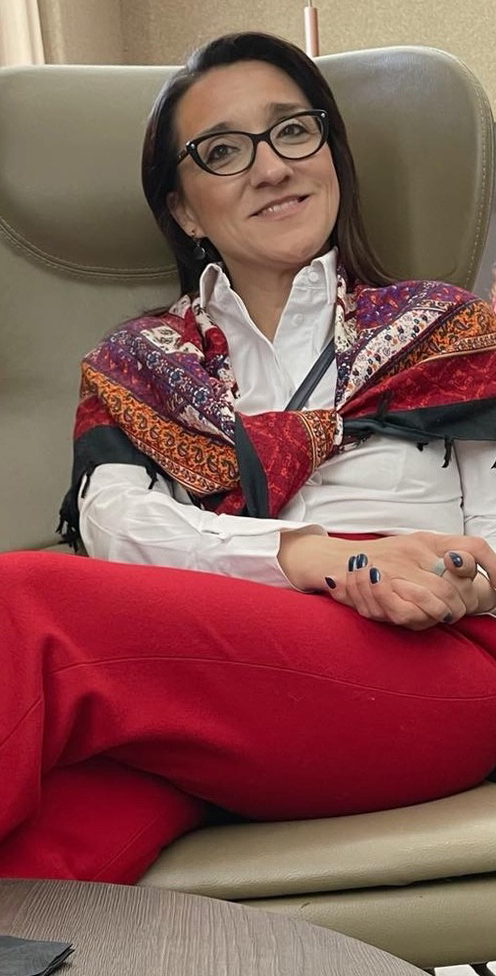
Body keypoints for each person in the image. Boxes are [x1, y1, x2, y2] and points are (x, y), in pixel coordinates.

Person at [1, 31, 496, 885]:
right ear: (185, 211)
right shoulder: (138, 365)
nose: (271, 167)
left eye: (293, 131)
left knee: (20, 606)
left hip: (429, 671)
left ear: (331, 157)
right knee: (37, 869)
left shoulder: (450, 332)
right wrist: (311, 556)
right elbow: (117, 527)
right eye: (224, 151)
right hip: (217, 699)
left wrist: (461, 577)